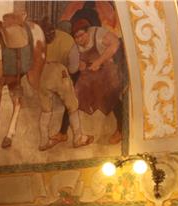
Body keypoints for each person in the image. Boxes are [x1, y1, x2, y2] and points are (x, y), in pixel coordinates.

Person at [37, 19, 93, 151]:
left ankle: (44, 142)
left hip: (43, 75)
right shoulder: (67, 40)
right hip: (60, 73)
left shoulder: (37, 40)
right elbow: (73, 68)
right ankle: (78, 138)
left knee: (45, 109)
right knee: (72, 105)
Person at [71, 18, 124, 144]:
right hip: (92, 74)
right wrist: (80, 64)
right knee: (76, 95)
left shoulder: (98, 34)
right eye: (76, 37)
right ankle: (82, 133)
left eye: (81, 35)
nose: (79, 39)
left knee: (111, 94)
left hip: (109, 68)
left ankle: (121, 129)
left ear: (87, 32)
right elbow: (76, 64)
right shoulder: (75, 47)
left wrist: (99, 61)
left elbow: (115, 43)